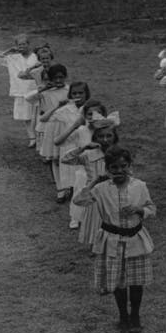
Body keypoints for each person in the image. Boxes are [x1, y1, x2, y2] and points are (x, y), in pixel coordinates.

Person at [73, 146, 156, 333]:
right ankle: (123, 317)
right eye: (113, 167)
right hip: (111, 241)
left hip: (135, 240)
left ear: (129, 166)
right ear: (107, 168)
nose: (119, 171)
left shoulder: (140, 186)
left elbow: (152, 208)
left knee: (136, 282)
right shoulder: (101, 189)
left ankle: (135, 315)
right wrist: (94, 181)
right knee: (119, 282)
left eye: (123, 166)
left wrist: (140, 210)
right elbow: (79, 201)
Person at [61, 105, 119, 245]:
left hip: (114, 194)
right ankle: (96, 243)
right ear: (95, 138)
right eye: (101, 137)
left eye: (109, 136)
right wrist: (83, 147)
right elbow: (66, 159)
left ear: (114, 137)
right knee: (96, 219)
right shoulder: (88, 155)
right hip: (95, 194)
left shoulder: (119, 154)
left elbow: (129, 173)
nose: (105, 140)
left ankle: (114, 242)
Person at [25, 64, 71, 201]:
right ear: (50, 79)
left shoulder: (69, 89)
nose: (58, 81)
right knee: (54, 158)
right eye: (55, 78)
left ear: (65, 77)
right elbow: (28, 98)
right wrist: (45, 88)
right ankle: (60, 188)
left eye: (61, 78)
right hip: (50, 128)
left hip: (67, 126)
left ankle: (70, 185)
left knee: (68, 156)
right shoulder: (44, 92)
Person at [51, 81, 93, 228]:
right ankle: (75, 216)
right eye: (74, 93)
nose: (77, 96)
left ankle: (92, 216)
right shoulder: (65, 110)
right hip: (71, 148)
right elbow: (58, 135)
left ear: (86, 94)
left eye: (81, 93)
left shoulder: (91, 109)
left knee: (91, 186)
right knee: (76, 185)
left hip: (89, 151)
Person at [0, 33, 40, 147]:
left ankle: (39, 137)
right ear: (16, 46)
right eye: (19, 45)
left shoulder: (35, 57)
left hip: (35, 90)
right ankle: (32, 137)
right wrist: (8, 51)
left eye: (24, 44)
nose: (22, 47)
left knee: (36, 116)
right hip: (20, 91)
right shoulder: (12, 57)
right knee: (26, 116)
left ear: (29, 44)